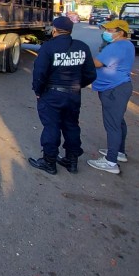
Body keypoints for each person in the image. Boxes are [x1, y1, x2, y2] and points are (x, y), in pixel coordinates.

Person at [28, 16, 97, 174]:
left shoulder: (48, 47)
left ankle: (49, 162)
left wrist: (38, 91)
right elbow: (91, 74)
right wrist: (77, 86)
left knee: (51, 127)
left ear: (54, 30)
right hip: (73, 94)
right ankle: (72, 162)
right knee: (71, 126)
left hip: (52, 94)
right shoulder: (82, 47)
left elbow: (39, 73)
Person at [87, 19, 135, 175]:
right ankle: (119, 152)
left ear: (120, 32)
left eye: (110, 30)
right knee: (118, 121)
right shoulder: (127, 45)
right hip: (119, 86)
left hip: (113, 89)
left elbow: (98, 63)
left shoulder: (117, 46)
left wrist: (84, 56)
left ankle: (111, 161)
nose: (106, 32)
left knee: (112, 125)